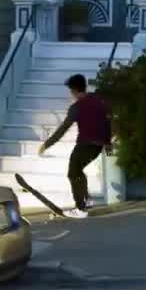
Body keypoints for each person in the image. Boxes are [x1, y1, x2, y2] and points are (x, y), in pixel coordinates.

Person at [38, 73, 112, 219]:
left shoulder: (76, 108)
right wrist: (108, 143)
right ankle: (87, 199)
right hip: (97, 147)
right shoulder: (98, 100)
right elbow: (107, 121)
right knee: (78, 170)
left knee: (73, 173)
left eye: (71, 90)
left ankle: (80, 208)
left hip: (84, 144)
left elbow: (63, 129)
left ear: (74, 90)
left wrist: (47, 144)